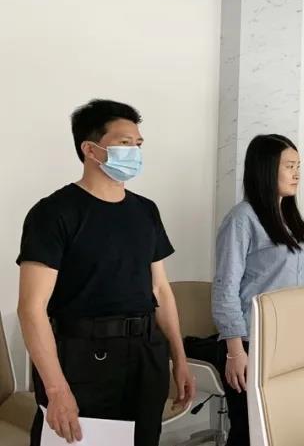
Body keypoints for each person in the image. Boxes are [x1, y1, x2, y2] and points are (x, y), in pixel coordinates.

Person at [16, 99, 195, 446]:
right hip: (82, 358)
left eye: (138, 144)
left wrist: (179, 358)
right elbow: (31, 308)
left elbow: (161, 290)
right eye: (124, 143)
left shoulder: (146, 211)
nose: (135, 152)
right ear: (90, 149)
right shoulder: (53, 213)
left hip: (145, 353)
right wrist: (56, 389)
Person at [211, 134, 304, 446]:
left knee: (282, 427)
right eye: (289, 166)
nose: (297, 173)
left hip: (289, 339)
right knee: (250, 430)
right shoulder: (242, 219)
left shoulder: (291, 217)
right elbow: (225, 288)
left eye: (298, 166)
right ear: (267, 170)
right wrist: (235, 351)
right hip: (251, 341)